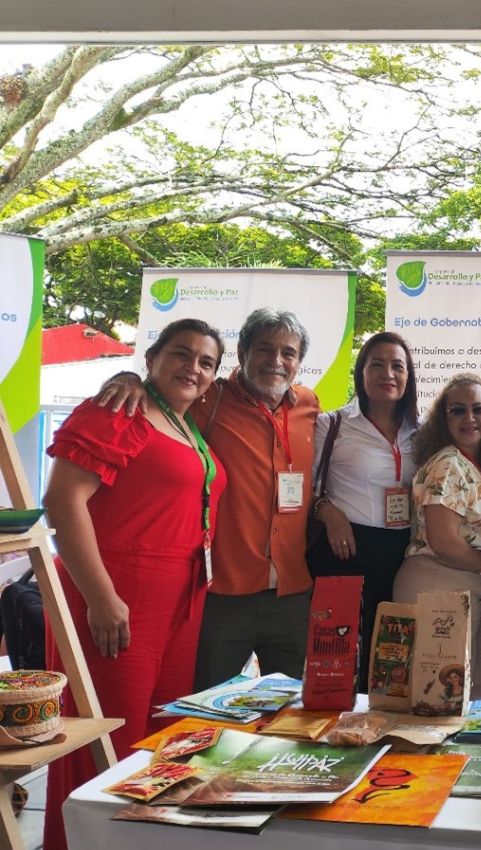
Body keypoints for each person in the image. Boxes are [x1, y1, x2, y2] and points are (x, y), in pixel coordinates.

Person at [43, 319, 227, 850]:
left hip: (180, 594)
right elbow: (63, 502)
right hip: (119, 590)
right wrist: (102, 598)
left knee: (160, 742)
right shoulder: (116, 409)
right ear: (151, 358)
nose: (192, 367)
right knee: (106, 737)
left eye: (206, 362)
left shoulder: (186, 421)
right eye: (180, 353)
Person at [96, 307, 320, 688]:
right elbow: (158, 393)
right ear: (243, 350)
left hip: (291, 594)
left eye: (289, 353)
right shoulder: (207, 398)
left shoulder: (309, 406)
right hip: (223, 594)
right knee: (208, 707)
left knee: (289, 708)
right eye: (265, 349)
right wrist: (128, 376)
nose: (277, 361)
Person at [309, 331, 419, 687]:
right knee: (337, 659)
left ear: (408, 376)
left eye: (397, 366)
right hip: (345, 550)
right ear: (361, 372)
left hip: (402, 556)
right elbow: (303, 488)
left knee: (391, 661)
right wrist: (327, 511)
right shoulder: (333, 424)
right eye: (377, 364)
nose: (388, 373)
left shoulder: (422, 431)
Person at [394, 373, 481, 699]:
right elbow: (444, 542)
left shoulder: (474, 463)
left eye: (479, 409)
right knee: (436, 701)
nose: (470, 418)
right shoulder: (448, 465)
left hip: (465, 589)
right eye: (457, 410)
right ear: (442, 418)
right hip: (437, 584)